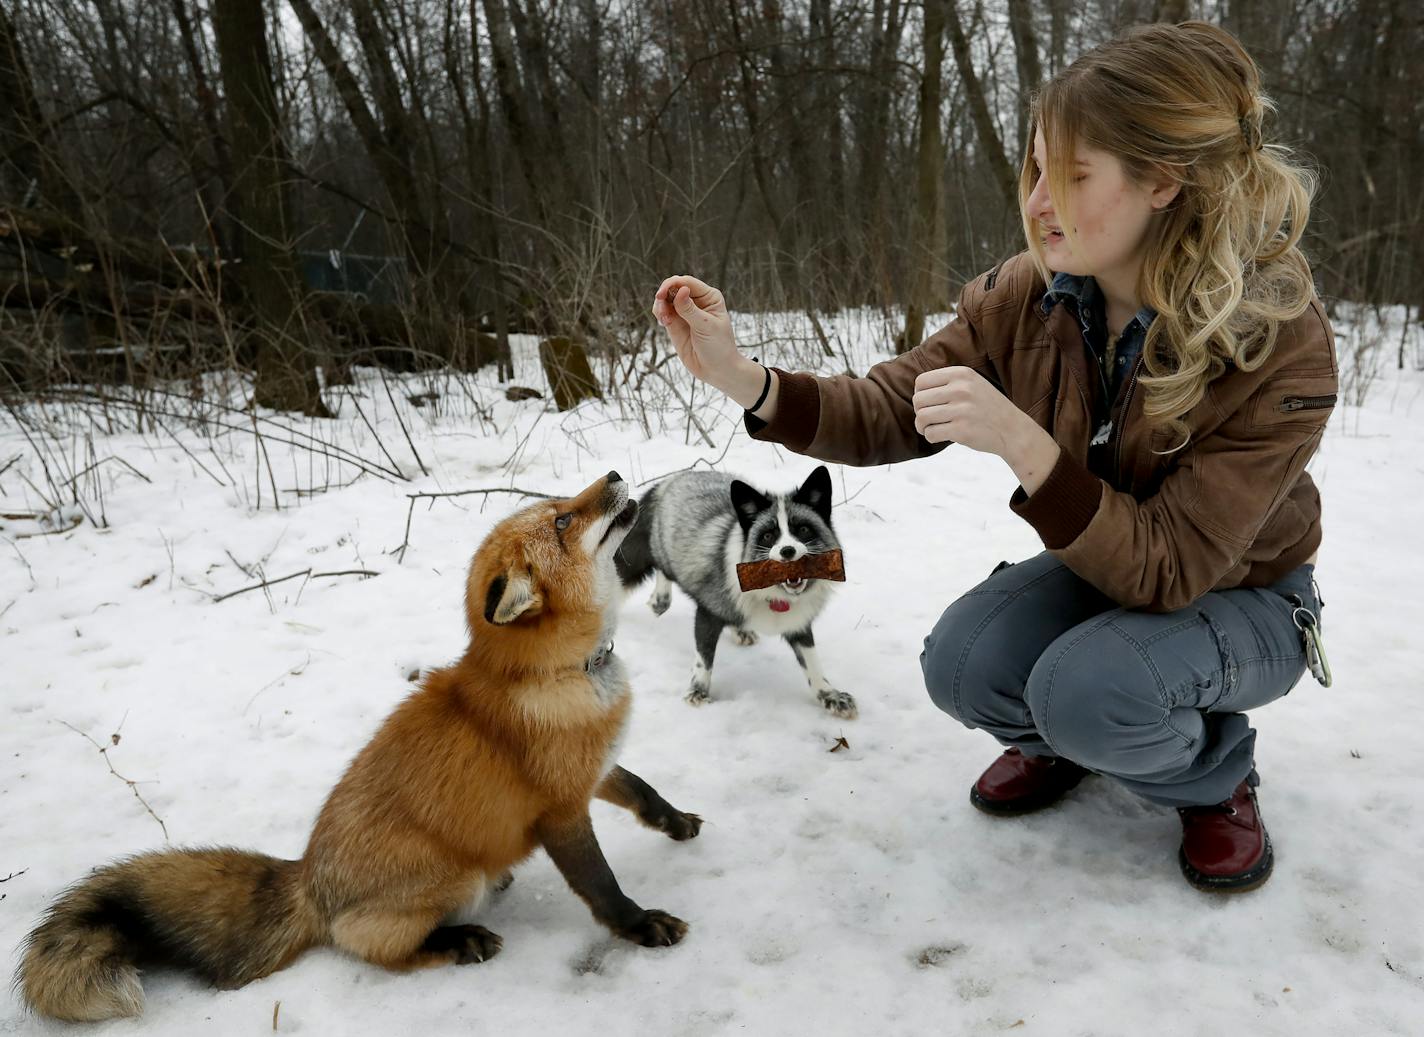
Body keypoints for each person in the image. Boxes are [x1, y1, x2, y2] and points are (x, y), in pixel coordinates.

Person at [649, 20, 1337, 893]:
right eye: (1037, 168)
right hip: (1103, 567)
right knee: (963, 663)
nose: (1041, 199)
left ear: (1165, 181)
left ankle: (1213, 774)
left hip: (1244, 597)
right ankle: (1069, 736)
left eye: (1075, 175)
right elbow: (895, 404)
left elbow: (1171, 566)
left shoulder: (1277, 340)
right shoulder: (1034, 295)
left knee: (1089, 691)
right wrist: (749, 380)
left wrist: (1025, 444)